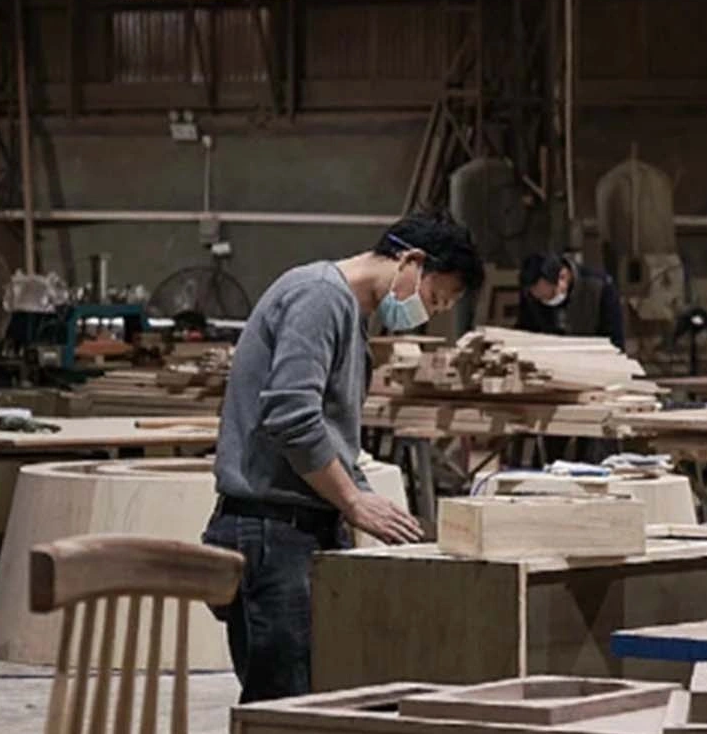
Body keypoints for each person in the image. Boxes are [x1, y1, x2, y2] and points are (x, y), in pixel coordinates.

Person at [204, 213, 483, 702]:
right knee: (285, 708)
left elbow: (329, 434)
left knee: (315, 698)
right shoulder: (320, 297)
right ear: (412, 262)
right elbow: (291, 415)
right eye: (435, 298)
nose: (429, 312)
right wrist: (353, 500)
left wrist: (363, 500)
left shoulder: (348, 313)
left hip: (297, 526)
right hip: (272, 531)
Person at [514, 252, 626, 350]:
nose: (546, 301)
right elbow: (525, 333)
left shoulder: (600, 289)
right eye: (540, 298)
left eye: (551, 295)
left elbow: (615, 344)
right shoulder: (531, 295)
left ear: (563, 277)